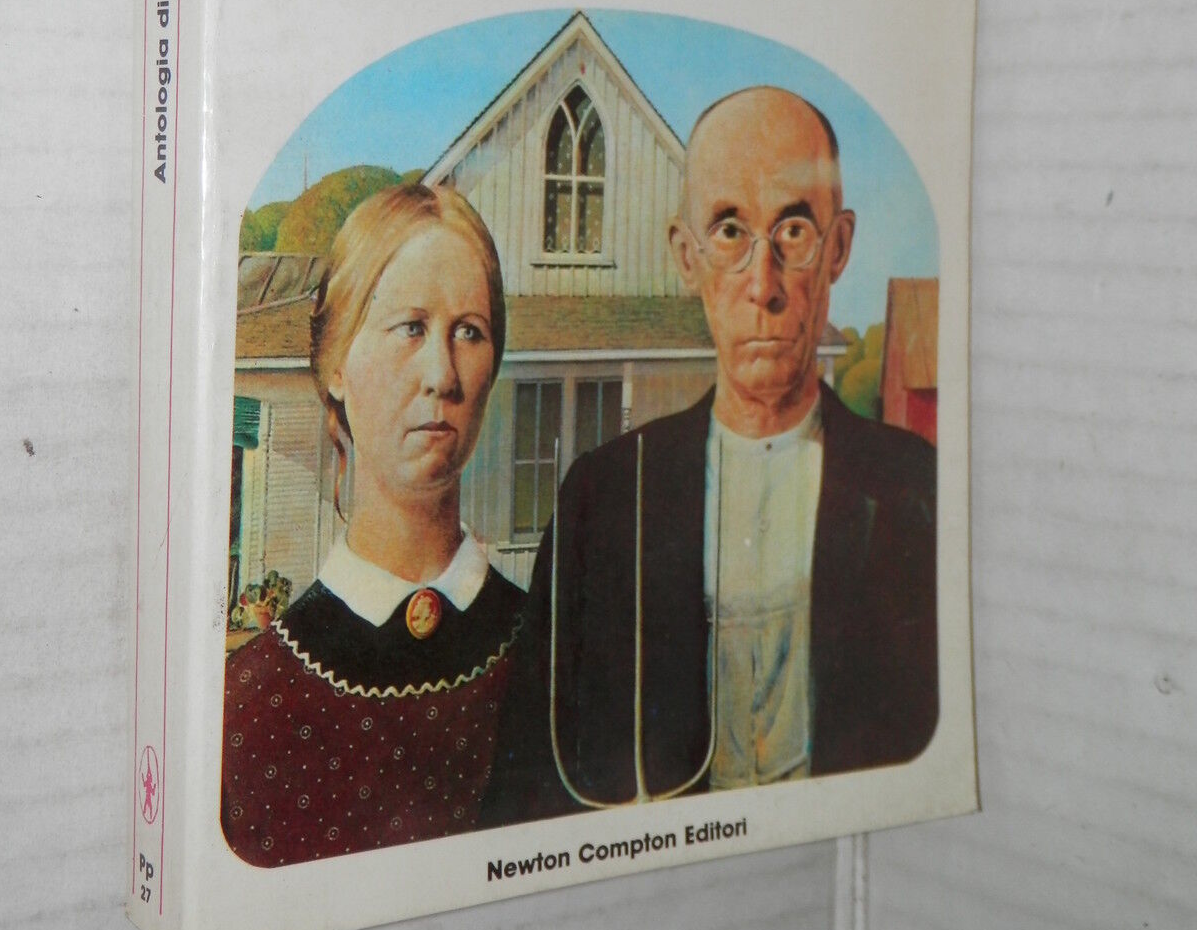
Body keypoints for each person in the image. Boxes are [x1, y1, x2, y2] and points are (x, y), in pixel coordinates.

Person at [482, 87, 936, 821]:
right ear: (686, 257)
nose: (763, 286)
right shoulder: (604, 501)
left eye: (794, 230)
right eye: (729, 231)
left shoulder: (916, 491)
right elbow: (525, 794)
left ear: (839, 248)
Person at [222, 184, 523, 866]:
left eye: (469, 332)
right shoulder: (248, 706)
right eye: (411, 328)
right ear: (336, 365)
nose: (442, 375)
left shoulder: (553, 659)